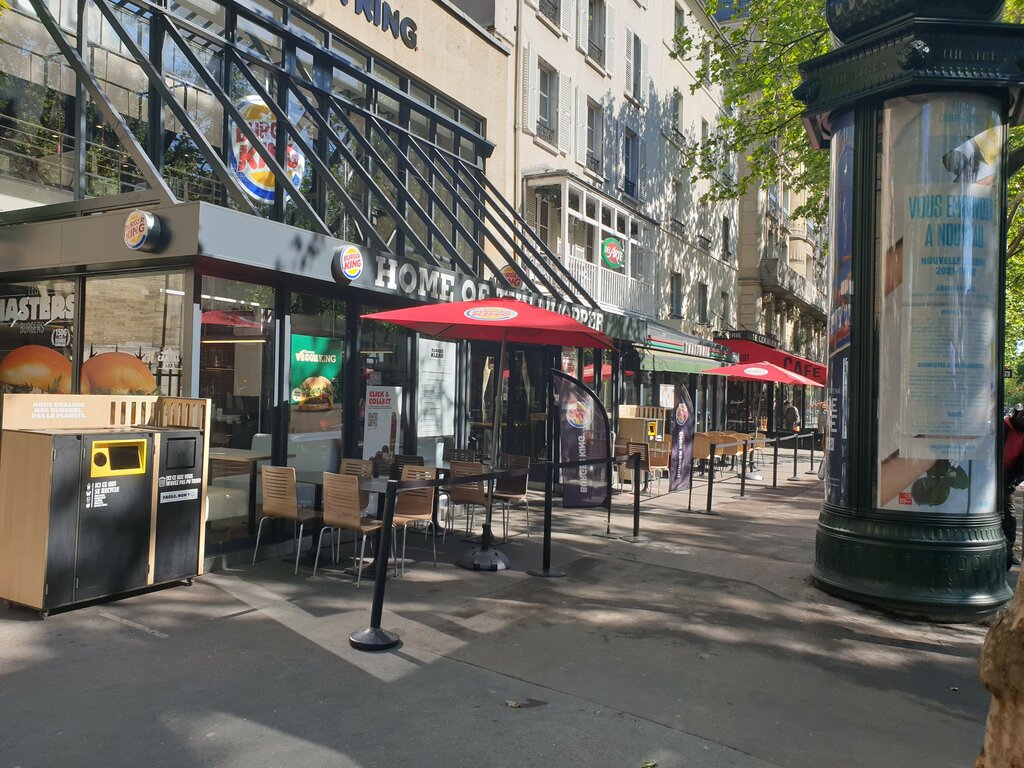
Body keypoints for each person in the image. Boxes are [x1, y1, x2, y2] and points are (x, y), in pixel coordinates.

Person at [1002, 404, 1024, 569]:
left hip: (1009, 479)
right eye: (1022, 415)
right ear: (1016, 414)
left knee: (1009, 517)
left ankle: (1008, 552)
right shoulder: (1002, 426)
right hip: (989, 475)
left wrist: (1015, 480)